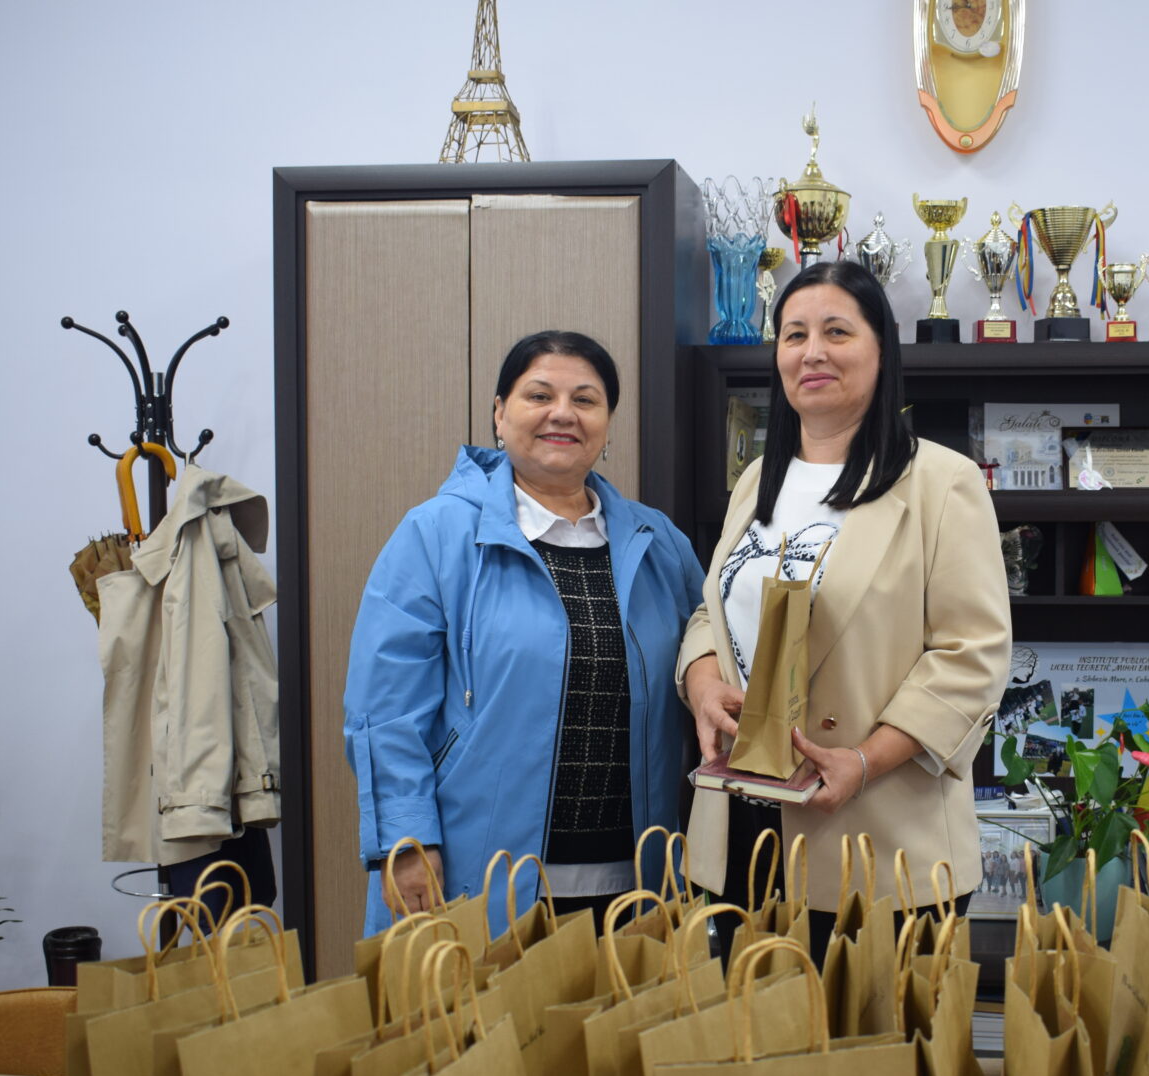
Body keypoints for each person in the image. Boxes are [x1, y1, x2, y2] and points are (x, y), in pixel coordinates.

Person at [677, 260, 1012, 940]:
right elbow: (715, 610)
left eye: (837, 331)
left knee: (874, 1014)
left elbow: (971, 655)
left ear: (881, 349)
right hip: (743, 829)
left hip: (881, 840)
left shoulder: (941, 482)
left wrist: (864, 762)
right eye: (794, 335)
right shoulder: (757, 482)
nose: (813, 352)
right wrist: (703, 683)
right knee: (748, 1009)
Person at [345, 330, 702, 938]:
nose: (563, 413)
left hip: (635, 877)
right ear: (499, 413)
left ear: (607, 425)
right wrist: (406, 839)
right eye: (539, 395)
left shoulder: (658, 543)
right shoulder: (435, 535)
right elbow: (386, 709)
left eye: (585, 400)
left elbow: (707, 654)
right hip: (477, 870)